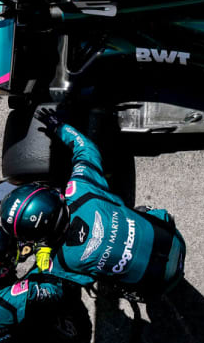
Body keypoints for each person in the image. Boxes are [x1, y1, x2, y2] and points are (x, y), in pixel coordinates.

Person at [36, 111, 188, 294]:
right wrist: (59, 126)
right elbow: (85, 148)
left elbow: (83, 280)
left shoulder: (58, 264)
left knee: (107, 284)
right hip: (174, 241)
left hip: (154, 285)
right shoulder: (80, 190)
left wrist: (41, 252)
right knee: (142, 211)